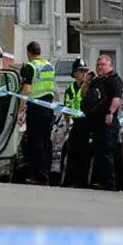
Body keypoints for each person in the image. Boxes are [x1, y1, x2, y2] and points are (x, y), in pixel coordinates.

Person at [80, 55, 123, 191]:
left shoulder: (114, 80)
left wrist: (110, 112)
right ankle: (99, 180)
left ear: (110, 65)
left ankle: (109, 182)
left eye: (103, 64)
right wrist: (87, 81)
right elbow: (85, 94)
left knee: (106, 152)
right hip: (94, 121)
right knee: (98, 152)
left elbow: (116, 98)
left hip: (107, 122)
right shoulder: (96, 81)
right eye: (98, 64)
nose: (100, 67)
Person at [18, 41, 56, 185]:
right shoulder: (49, 66)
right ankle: (46, 173)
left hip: (36, 109)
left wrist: (21, 110)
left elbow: (26, 90)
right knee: (46, 143)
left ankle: (38, 176)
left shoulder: (30, 66)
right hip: (48, 108)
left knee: (36, 143)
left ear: (29, 53)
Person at [61, 58, 91, 188]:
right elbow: (66, 107)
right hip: (75, 124)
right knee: (72, 152)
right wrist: (67, 123)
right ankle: (71, 180)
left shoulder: (90, 88)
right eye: (80, 71)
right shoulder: (70, 89)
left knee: (85, 154)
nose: (83, 74)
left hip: (86, 124)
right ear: (74, 73)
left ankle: (83, 181)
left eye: (85, 71)